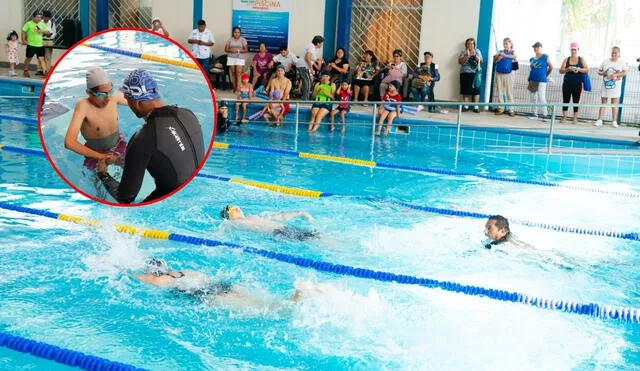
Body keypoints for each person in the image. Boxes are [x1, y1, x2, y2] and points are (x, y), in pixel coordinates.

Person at [96, 69, 205, 204]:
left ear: (136, 102)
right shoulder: (188, 113)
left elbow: (125, 197)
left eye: (128, 100)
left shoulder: (143, 137)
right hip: (197, 191)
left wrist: (103, 174)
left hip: (169, 203)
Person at [136, 258, 326, 310]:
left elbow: (146, 280)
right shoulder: (184, 271)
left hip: (208, 294)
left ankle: (296, 298)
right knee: (260, 300)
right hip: (223, 285)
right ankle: (296, 297)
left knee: (262, 310)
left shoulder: (159, 279)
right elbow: (208, 276)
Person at [64, 67, 129, 171]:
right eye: (102, 94)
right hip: (96, 153)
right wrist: (102, 157)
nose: (108, 98)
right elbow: (69, 142)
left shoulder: (114, 96)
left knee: (130, 169)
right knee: (101, 182)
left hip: (118, 144)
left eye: (110, 92)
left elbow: (138, 102)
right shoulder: (83, 106)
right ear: (89, 93)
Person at [220, 205, 319, 241]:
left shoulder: (253, 217)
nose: (237, 209)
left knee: (316, 237)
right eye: (232, 209)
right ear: (228, 216)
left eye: (236, 208)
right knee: (314, 239)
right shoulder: (232, 223)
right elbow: (220, 231)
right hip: (278, 233)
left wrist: (299, 213)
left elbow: (279, 217)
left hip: (283, 229)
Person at [595, 46, 627, 128]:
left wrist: (615, 75)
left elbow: (625, 73)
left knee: (614, 103)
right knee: (603, 102)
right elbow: (599, 71)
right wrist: (604, 74)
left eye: (616, 52)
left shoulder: (621, 62)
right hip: (605, 85)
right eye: (612, 52)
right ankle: (600, 120)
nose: (614, 54)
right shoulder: (605, 61)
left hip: (616, 87)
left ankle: (614, 121)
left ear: (619, 54)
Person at [559, 42, 588, 124]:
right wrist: (568, 69)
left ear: (578, 50)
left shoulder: (581, 59)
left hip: (577, 83)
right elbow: (561, 70)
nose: (573, 51)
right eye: (572, 49)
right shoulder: (566, 59)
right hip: (567, 83)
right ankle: (564, 117)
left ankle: (575, 118)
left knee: (576, 100)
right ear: (570, 50)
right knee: (565, 100)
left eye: (575, 50)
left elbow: (586, 69)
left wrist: (578, 69)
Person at [527, 42, 553, 121]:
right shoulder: (532, 59)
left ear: (541, 48)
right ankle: (534, 113)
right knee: (533, 97)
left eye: (537, 47)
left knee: (541, 97)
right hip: (532, 80)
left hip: (542, 80)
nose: (535, 48)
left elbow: (551, 67)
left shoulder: (545, 57)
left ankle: (545, 114)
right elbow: (532, 69)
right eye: (534, 47)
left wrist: (546, 75)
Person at [21, 11, 50, 78]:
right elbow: (23, 32)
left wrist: (41, 31)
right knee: (29, 58)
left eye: (40, 17)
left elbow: (48, 33)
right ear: (33, 17)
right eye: (37, 17)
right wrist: (24, 40)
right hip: (31, 44)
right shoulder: (28, 24)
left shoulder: (42, 24)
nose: (39, 18)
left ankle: (45, 72)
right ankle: (25, 70)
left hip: (40, 45)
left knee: (41, 59)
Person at [493, 37, 517, 116]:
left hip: (509, 74)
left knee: (509, 92)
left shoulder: (513, 52)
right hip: (499, 73)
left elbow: (514, 56)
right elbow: (495, 60)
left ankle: (511, 109)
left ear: (510, 44)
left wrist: (505, 55)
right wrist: (498, 56)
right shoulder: (500, 51)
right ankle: (501, 108)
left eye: (507, 43)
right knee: (499, 91)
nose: (505, 45)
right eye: (504, 43)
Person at [295, 35, 324, 100]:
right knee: (307, 82)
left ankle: (304, 97)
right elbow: (307, 58)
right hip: (303, 66)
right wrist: (311, 68)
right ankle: (305, 99)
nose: (322, 45)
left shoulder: (313, 48)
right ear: (318, 43)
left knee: (308, 82)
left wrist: (318, 65)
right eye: (321, 43)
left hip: (304, 66)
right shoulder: (311, 47)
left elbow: (311, 60)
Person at [458, 38, 483, 112]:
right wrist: (466, 56)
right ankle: (466, 106)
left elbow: (481, 60)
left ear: (474, 45)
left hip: (475, 73)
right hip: (465, 73)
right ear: (466, 45)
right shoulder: (463, 52)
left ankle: (476, 107)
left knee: (476, 91)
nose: (470, 45)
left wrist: (476, 57)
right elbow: (459, 61)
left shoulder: (477, 51)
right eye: (468, 43)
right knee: (465, 91)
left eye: (472, 43)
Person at [225, 26, 249, 93]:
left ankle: (238, 88)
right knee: (233, 73)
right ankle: (234, 87)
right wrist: (231, 50)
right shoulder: (230, 40)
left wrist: (237, 50)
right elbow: (226, 49)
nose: (237, 34)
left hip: (240, 58)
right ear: (233, 33)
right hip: (231, 58)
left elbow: (246, 50)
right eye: (235, 32)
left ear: (240, 33)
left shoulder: (243, 40)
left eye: (238, 32)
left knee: (238, 73)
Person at [37, 10, 56, 75]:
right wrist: (43, 33)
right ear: (43, 17)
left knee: (48, 56)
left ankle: (47, 71)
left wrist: (50, 36)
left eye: (48, 18)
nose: (46, 19)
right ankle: (40, 70)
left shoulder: (52, 24)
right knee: (40, 56)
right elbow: (37, 32)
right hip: (41, 40)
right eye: (45, 17)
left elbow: (54, 33)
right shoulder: (40, 23)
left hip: (49, 41)